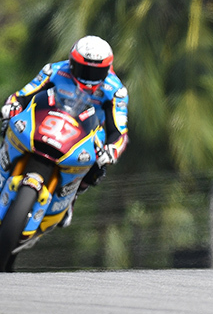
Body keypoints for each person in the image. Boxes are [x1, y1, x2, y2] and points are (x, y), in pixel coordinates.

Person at [0, 35, 129, 227]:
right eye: (82, 69)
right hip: (47, 121)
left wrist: (112, 150)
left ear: (107, 69)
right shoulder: (53, 71)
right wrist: (12, 106)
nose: (87, 77)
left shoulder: (116, 91)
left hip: (86, 135)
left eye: (95, 72)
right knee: (8, 123)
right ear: (71, 62)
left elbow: (119, 130)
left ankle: (70, 199)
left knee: (97, 168)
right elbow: (24, 94)